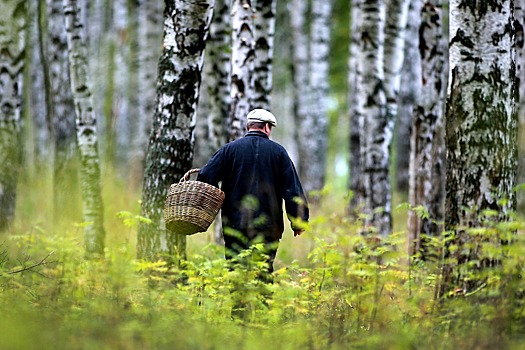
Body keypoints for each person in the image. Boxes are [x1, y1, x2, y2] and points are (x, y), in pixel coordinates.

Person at [197, 108, 309, 277]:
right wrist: (299, 221)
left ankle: (237, 303)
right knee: (263, 272)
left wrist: (212, 203)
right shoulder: (279, 152)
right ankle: (261, 301)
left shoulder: (229, 150)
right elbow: (292, 189)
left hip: (235, 224)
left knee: (236, 271)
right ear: (266, 127)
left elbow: (205, 175)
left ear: (249, 127)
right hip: (268, 226)